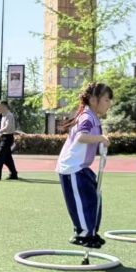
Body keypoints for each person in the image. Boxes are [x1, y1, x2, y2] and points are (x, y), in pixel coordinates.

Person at [55, 83, 113, 248]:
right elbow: (81, 137)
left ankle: (91, 231)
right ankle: (82, 234)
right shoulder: (87, 117)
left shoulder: (93, 117)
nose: (109, 104)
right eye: (106, 100)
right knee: (81, 202)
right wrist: (101, 139)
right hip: (72, 167)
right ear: (94, 100)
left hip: (81, 167)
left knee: (94, 198)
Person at [0, 101, 19, 180]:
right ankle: (14, 174)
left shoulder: (9, 115)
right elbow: (3, 129)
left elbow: (7, 127)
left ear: (4, 106)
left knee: (0, 156)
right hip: (3, 137)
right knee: (7, 158)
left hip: (8, 138)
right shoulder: (3, 115)